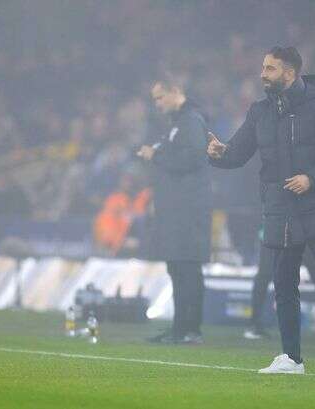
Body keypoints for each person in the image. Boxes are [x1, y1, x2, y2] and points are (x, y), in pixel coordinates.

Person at [208, 46, 315, 375]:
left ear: (290, 73)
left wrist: (312, 178)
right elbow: (238, 154)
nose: (262, 74)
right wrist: (218, 153)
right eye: (263, 67)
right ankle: (292, 358)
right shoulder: (259, 112)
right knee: (283, 284)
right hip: (280, 209)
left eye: (269, 69)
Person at [137, 80, 212, 344]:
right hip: (176, 210)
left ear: (175, 92)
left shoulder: (191, 121)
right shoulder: (178, 124)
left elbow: (191, 160)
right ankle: (182, 328)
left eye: (159, 98)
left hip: (188, 211)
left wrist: (155, 156)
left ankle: (190, 330)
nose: (157, 104)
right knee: (178, 267)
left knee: (186, 267)